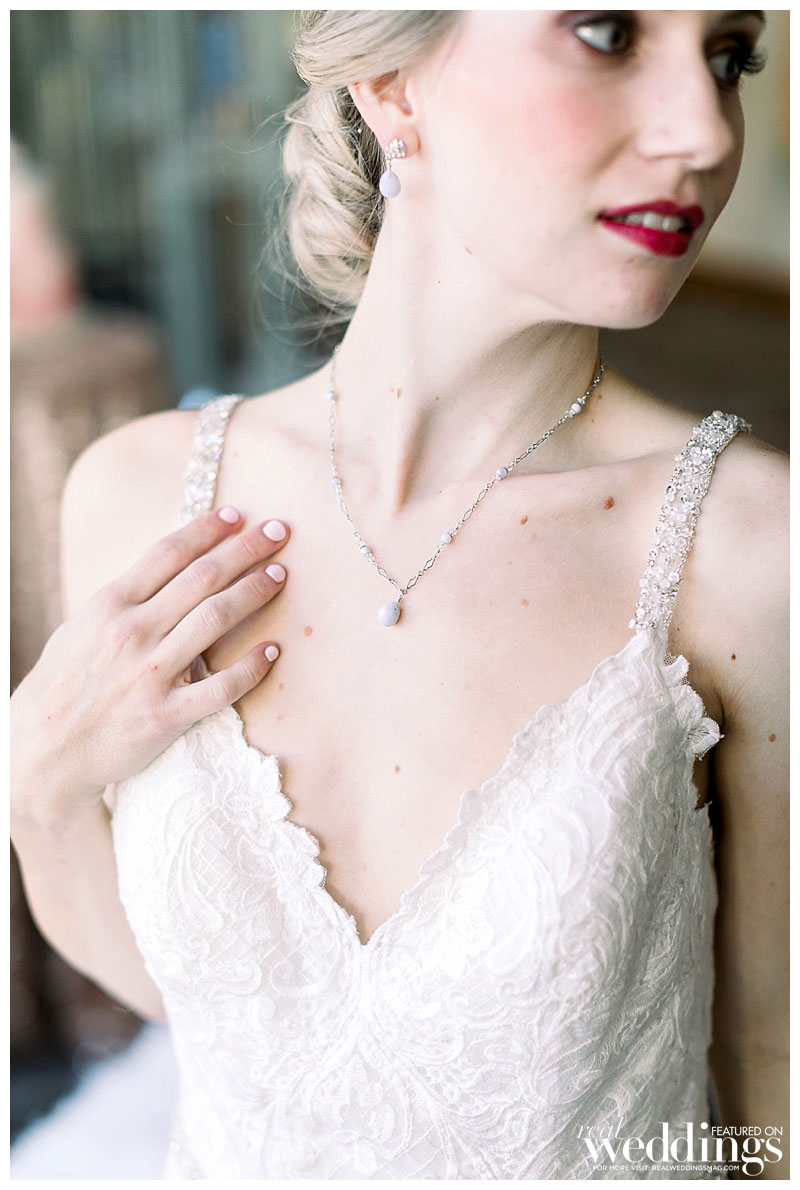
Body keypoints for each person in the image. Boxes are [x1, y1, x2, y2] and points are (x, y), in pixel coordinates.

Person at [11, 10, 788, 1180]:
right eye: (606, 32)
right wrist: (34, 786)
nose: (705, 133)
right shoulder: (139, 498)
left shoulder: (747, 549)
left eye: (728, 57)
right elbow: (195, 1008)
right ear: (391, 82)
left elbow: (769, 1073)